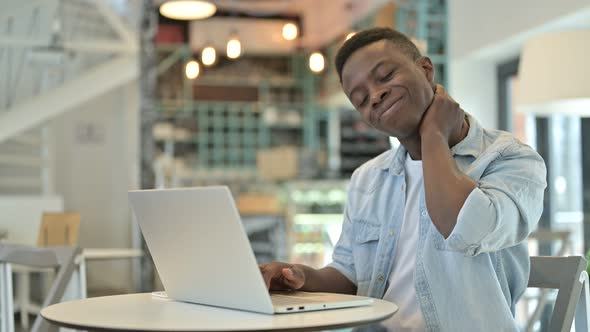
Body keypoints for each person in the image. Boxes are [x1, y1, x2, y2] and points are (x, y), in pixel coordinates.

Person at [259, 27, 547, 331]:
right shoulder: (367, 179)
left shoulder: (509, 159)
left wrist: (433, 135)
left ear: (425, 69)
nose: (375, 95)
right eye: (360, 99)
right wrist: (300, 278)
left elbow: (466, 228)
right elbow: (351, 276)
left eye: (384, 76)